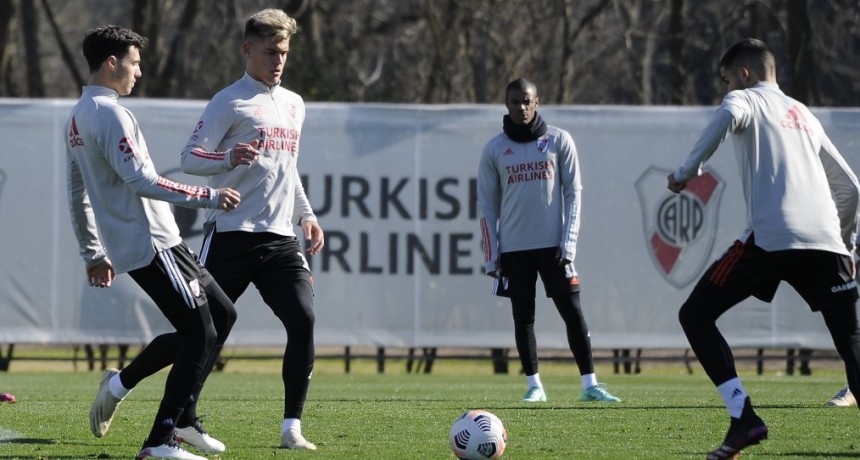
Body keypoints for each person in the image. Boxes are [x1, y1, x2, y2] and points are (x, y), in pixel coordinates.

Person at [66, 26, 253, 460]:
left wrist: (94, 253)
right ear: (111, 63)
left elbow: (75, 192)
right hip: (152, 243)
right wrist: (208, 194)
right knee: (200, 332)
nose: (139, 71)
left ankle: (153, 404)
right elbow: (143, 181)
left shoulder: (77, 116)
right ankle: (159, 441)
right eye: (133, 63)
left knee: (222, 315)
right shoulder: (110, 114)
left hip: (156, 240)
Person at [668, 38, 860, 459]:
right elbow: (850, 188)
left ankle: (744, 418)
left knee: (695, 315)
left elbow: (726, 117)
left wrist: (688, 171)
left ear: (744, 75)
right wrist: (845, 244)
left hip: (772, 239)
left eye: (725, 81)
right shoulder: (804, 114)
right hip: (828, 243)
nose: (725, 90)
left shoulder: (742, 100)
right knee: (850, 342)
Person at [180, 8, 324, 451]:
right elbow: (189, 158)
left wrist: (306, 214)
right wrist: (226, 158)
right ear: (247, 50)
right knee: (207, 329)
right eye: (270, 51)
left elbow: (288, 169)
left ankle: (291, 428)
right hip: (232, 233)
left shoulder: (295, 103)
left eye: (284, 52)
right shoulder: (229, 101)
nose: (279, 60)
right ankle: (181, 417)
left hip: (280, 237)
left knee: (304, 319)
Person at [476, 78, 621, 404]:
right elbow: (486, 205)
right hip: (514, 249)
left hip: (555, 248)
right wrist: (491, 253)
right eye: (515, 101)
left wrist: (568, 243)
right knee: (523, 318)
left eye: (527, 101)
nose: (521, 107)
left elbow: (574, 193)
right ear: (507, 104)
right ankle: (534, 386)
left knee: (573, 313)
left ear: (537, 102)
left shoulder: (558, 140)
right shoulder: (495, 149)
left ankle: (590, 385)